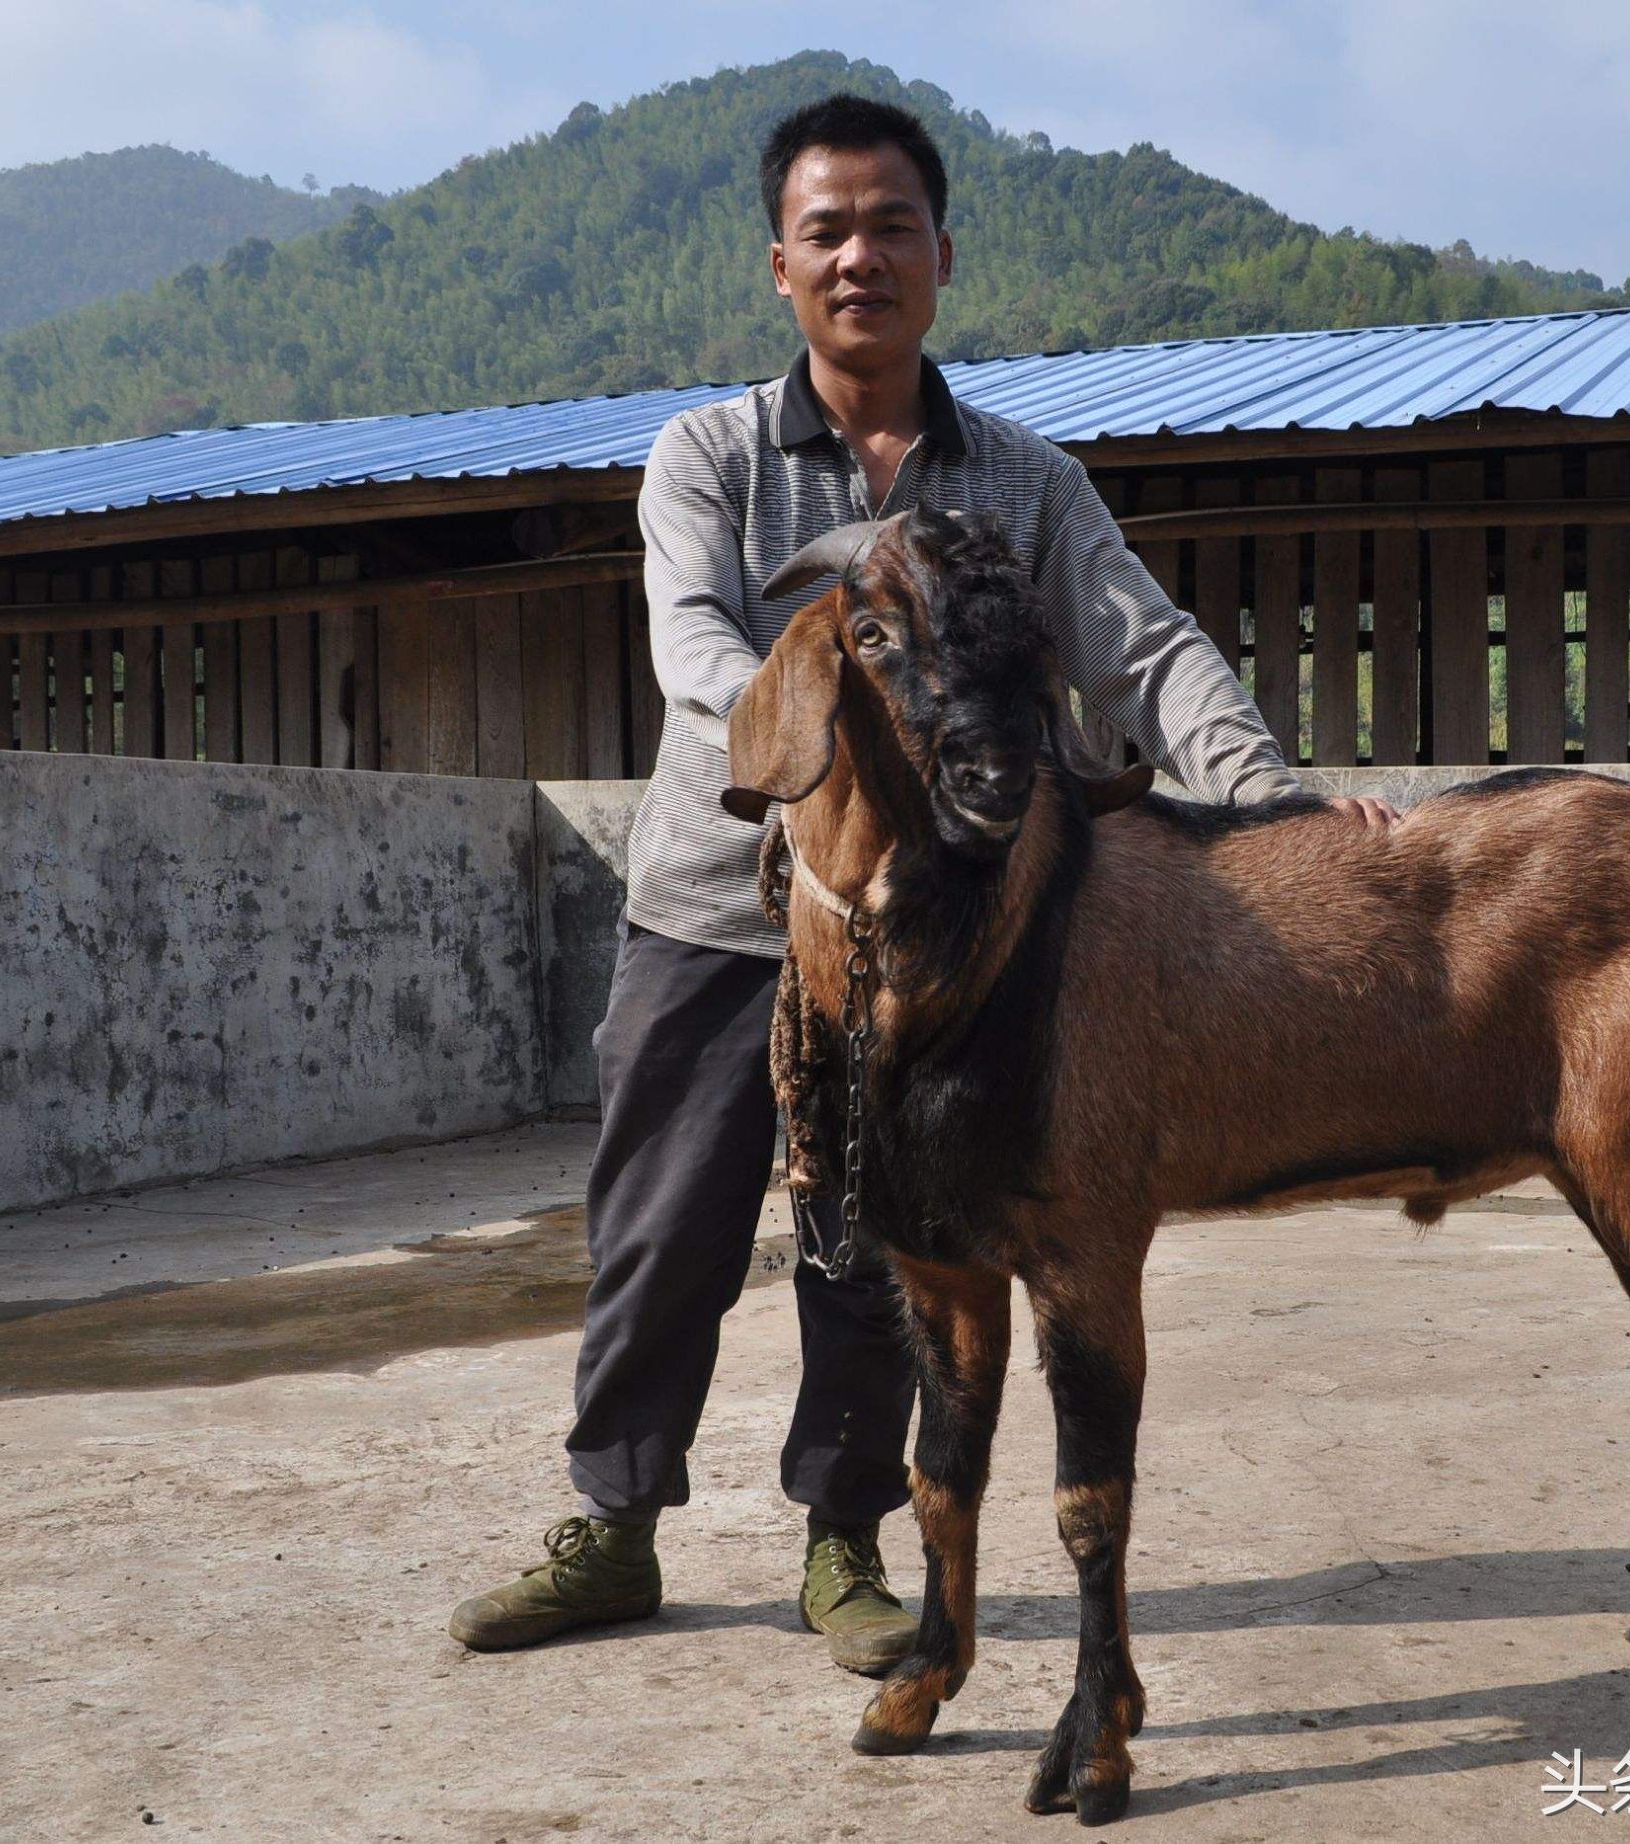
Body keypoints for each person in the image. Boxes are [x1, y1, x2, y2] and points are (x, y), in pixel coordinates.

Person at [448, 91, 1393, 1672]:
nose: (859, 255)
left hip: (943, 944)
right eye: (827, 230)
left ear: (941, 254)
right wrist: (796, 723)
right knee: (661, 1223)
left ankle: (846, 1544)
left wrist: (1278, 812)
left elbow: (1144, 649)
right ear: (780, 266)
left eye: (891, 226)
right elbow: (695, 644)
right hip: (719, 904)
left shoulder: (1024, 481)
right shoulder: (711, 458)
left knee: (884, 1242)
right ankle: (611, 1528)